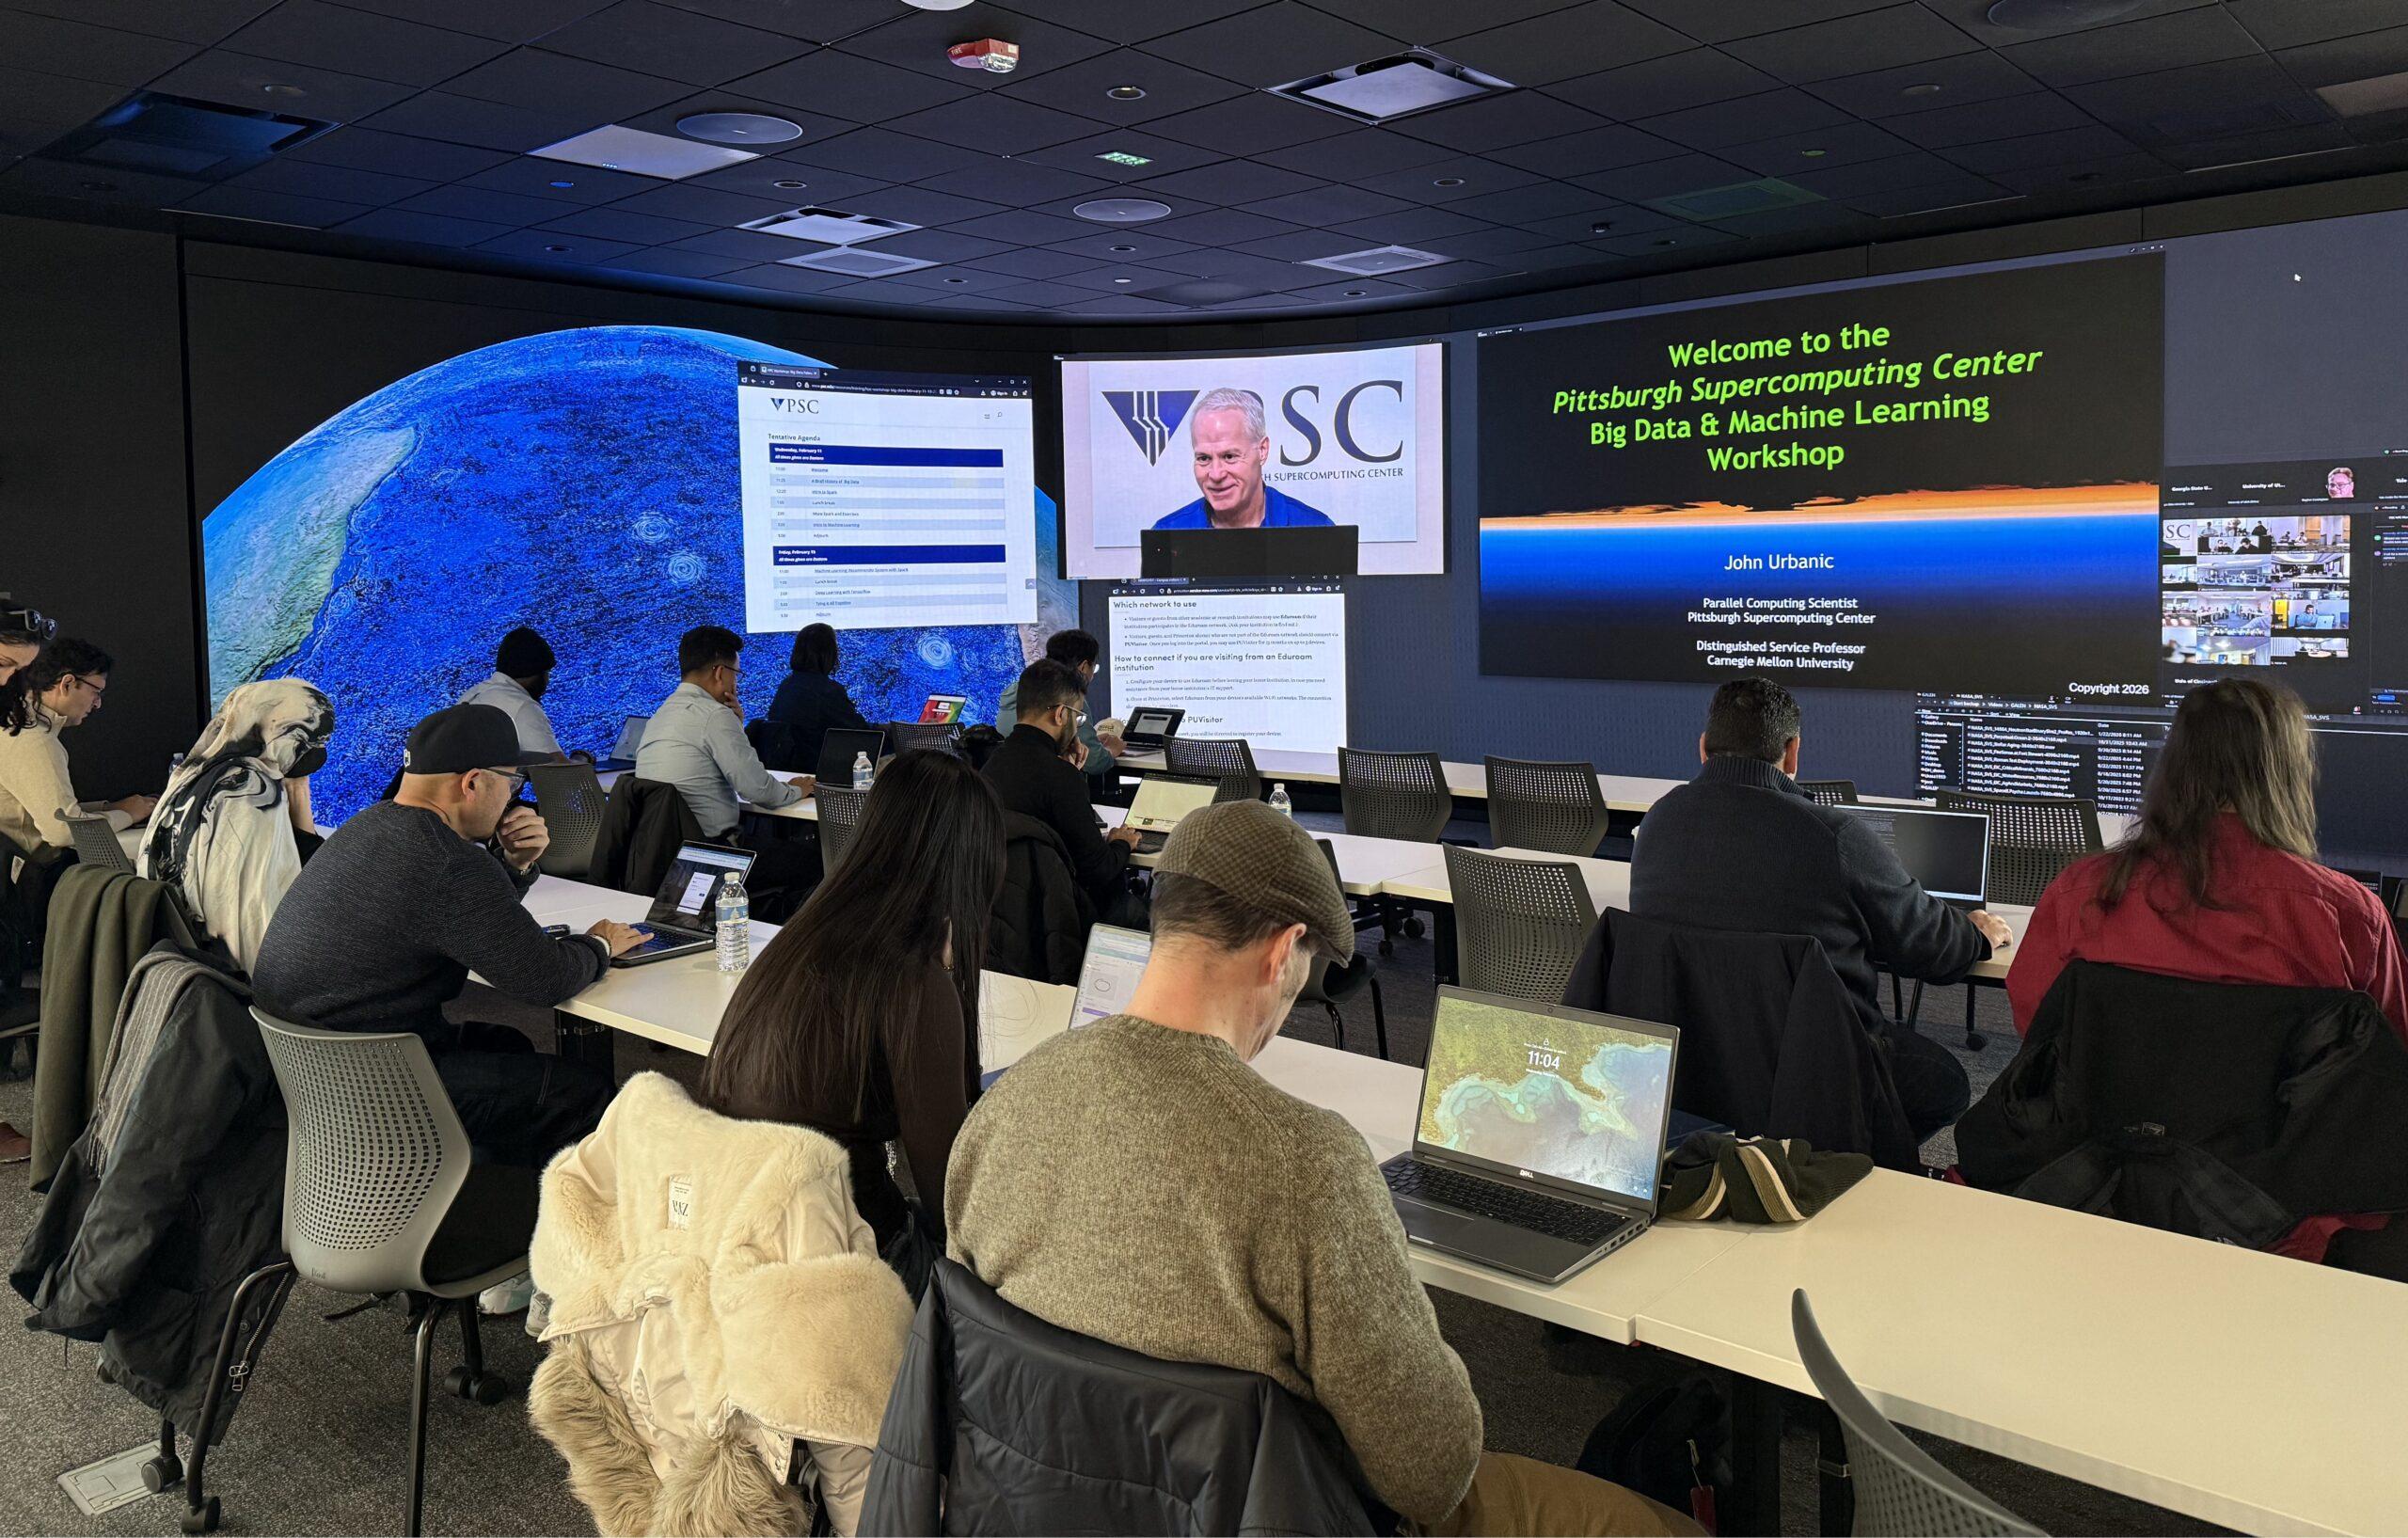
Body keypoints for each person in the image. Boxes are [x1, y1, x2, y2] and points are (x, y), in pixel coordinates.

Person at [945, 801, 1691, 1536]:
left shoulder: (1001, 1110)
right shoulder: (1304, 1161)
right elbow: (1433, 1472)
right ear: (1282, 949)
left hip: (1038, 1508)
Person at [250, 704, 645, 1169]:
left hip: (313, 1069)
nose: (514, 797)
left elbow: (470, 923)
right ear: (473, 783)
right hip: (371, 1080)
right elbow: (546, 981)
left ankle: (489, 1195)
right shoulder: (446, 860)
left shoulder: (372, 825)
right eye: (512, 783)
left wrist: (512, 866)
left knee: (508, 1046)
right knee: (583, 1093)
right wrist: (599, 943)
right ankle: (558, 1227)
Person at [1630, 677, 2011, 1144]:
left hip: (1694, 1059)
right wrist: (1977, 934)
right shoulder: (1834, 836)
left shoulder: (1657, 822)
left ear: (1704, 748)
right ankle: (1845, 1156)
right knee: (1946, 1084)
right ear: (1792, 754)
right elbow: (1932, 951)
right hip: (1819, 1061)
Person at [697, 750, 1003, 1296]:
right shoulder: (912, 975)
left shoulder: (807, 931)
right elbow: (950, 1204)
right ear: (971, 862)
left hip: (737, 1235)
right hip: (836, 1267)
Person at [2009, 677, 2408, 1039]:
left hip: (2104, 1119)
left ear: (2174, 765)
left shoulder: (2081, 892)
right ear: (2288, 775)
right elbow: (2390, 1054)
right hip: (2293, 1120)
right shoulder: (2349, 915)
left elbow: (2036, 1025)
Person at [138, 679, 334, 975]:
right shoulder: (251, 792)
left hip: (178, 965)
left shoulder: (189, 775)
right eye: (307, 739)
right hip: (232, 980)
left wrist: (296, 787)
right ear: (274, 729)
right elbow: (260, 918)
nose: (313, 751)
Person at [634, 625, 816, 890]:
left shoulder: (661, 715)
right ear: (720, 672)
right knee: (817, 863)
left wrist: (736, 725)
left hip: (663, 856)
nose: (736, 683)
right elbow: (758, 790)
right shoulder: (713, 715)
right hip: (713, 855)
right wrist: (796, 790)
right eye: (736, 673)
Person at [983, 658, 1140, 918]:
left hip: (1006, 912)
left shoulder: (992, 764)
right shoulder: (1061, 777)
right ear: (1060, 714)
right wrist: (1122, 843)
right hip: (1061, 914)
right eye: (1077, 717)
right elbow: (1098, 870)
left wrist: (1070, 775)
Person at [0, 638, 157, 853]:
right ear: (67, 684)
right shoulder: (35, 741)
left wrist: (111, 808)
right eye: (96, 692)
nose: (98, 703)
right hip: (32, 876)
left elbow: (44, 811)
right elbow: (63, 830)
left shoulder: (19, 724)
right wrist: (129, 815)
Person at [1149, 388, 1335, 531]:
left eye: (1229, 456)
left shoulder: (1316, 529)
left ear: (1262, 451)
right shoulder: (1168, 534)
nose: (1216, 474)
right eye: (1204, 458)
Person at [992, 628, 1125, 781]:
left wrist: (1089, 741)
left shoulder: (1019, 689)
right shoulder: (1070, 700)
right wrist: (1111, 751)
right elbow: (1094, 763)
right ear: (1083, 667)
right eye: (1093, 668)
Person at [766, 622, 872, 770]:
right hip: (816, 771)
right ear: (830, 654)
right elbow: (860, 733)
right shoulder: (826, 691)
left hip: (786, 770)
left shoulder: (786, 685)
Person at [458, 626, 568, 759]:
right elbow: (559, 771)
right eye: (547, 673)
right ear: (539, 675)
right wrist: (582, 757)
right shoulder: (522, 706)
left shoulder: (472, 694)